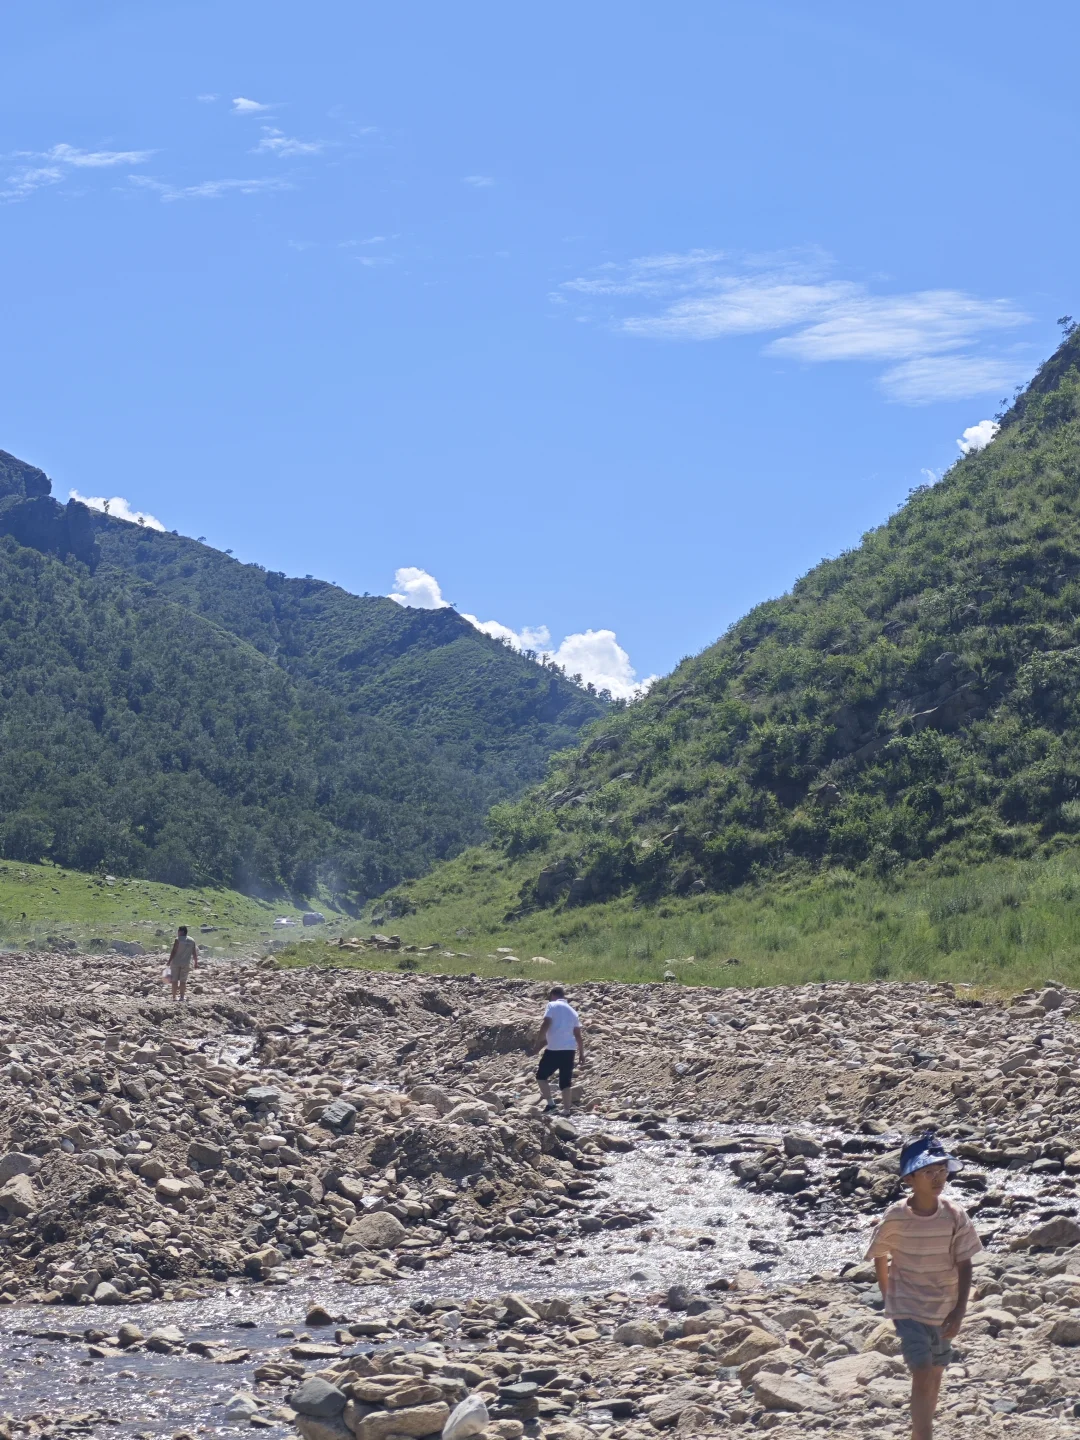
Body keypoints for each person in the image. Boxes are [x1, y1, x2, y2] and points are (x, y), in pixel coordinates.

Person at [865, 1130, 982, 1440]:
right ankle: (925, 1435)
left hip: (943, 1307)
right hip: (908, 1308)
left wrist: (959, 1310)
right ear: (909, 1179)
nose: (938, 1177)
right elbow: (880, 1253)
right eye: (929, 1172)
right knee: (921, 1370)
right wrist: (889, 1294)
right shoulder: (896, 1216)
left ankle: (919, 1432)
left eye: (942, 1170)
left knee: (936, 1373)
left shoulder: (954, 1215)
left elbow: (965, 1263)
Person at [534, 985, 584, 1114]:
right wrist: (581, 1053)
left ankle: (551, 1104)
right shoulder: (572, 1011)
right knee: (565, 1081)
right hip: (570, 1050)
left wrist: (538, 1041)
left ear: (553, 995)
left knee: (541, 1076)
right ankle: (566, 1110)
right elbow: (578, 1035)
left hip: (554, 1049)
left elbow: (546, 1022)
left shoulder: (552, 1005)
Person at [167, 925, 199, 1001]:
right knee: (183, 981)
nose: (177, 932)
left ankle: (174, 997)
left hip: (176, 963)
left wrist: (169, 961)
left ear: (182, 932)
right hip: (186, 963)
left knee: (174, 980)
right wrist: (196, 962)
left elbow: (174, 951)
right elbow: (194, 953)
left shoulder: (178, 939)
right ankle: (182, 997)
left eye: (178, 931)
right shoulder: (192, 940)